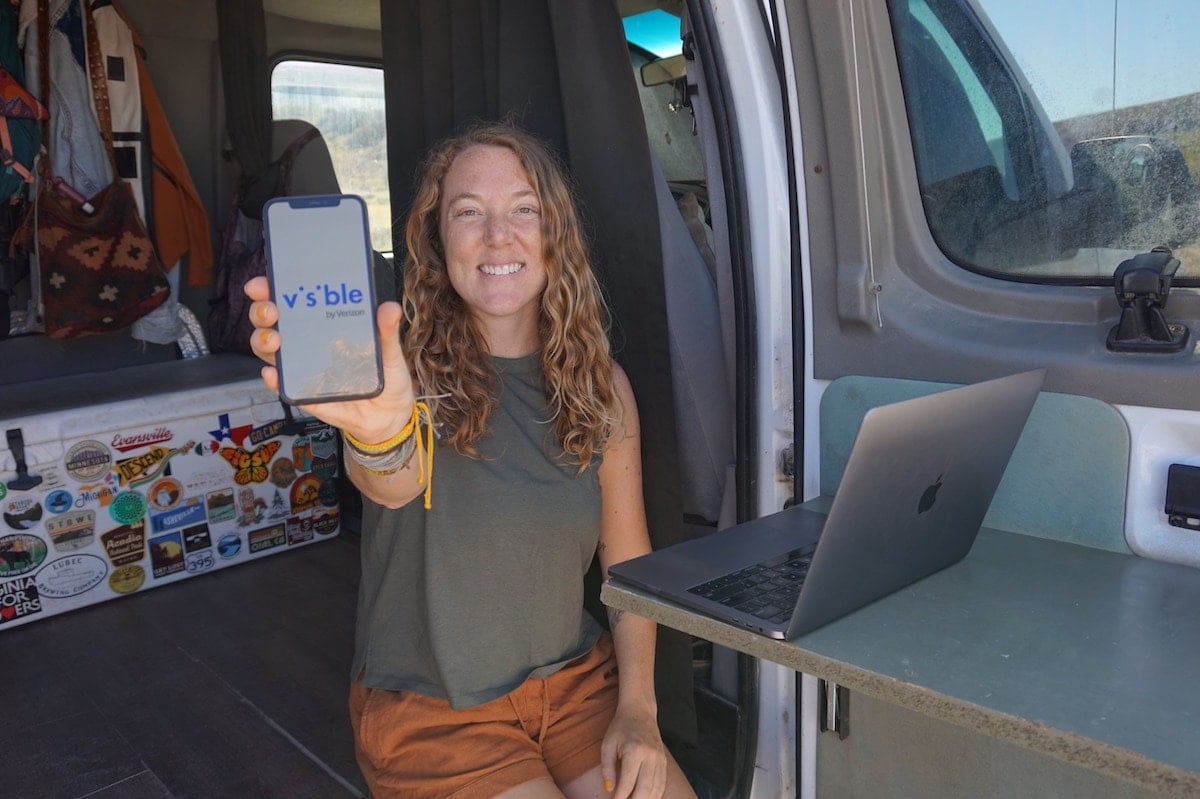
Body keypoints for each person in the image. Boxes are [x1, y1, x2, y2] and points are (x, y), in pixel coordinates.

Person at [245, 121, 696, 799]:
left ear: (555, 234)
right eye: (467, 213)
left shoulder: (602, 385)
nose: (497, 236)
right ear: (437, 238)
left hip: (574, 684)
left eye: (524, 209)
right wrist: (376, 432)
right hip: (436, 713)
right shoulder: (398, 371)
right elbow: (390, 479)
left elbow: (627, 561)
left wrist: (639, 709)